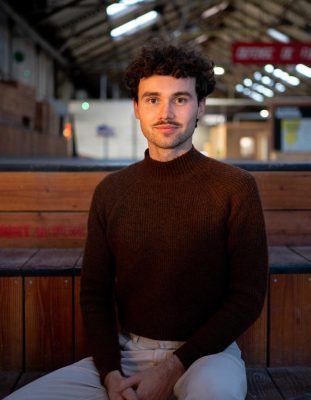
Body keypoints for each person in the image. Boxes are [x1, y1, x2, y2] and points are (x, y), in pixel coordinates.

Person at [5, 40, 268, 400]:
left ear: (200, 107)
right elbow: (95, 295)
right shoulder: (112, 191)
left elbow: (248, 297)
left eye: (180, 98)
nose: (166, 112)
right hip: (127, 355)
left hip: (208, 356)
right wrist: (110, 373)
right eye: (152, 99)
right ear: (136, 108)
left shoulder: (235, 187)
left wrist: (173, 367)